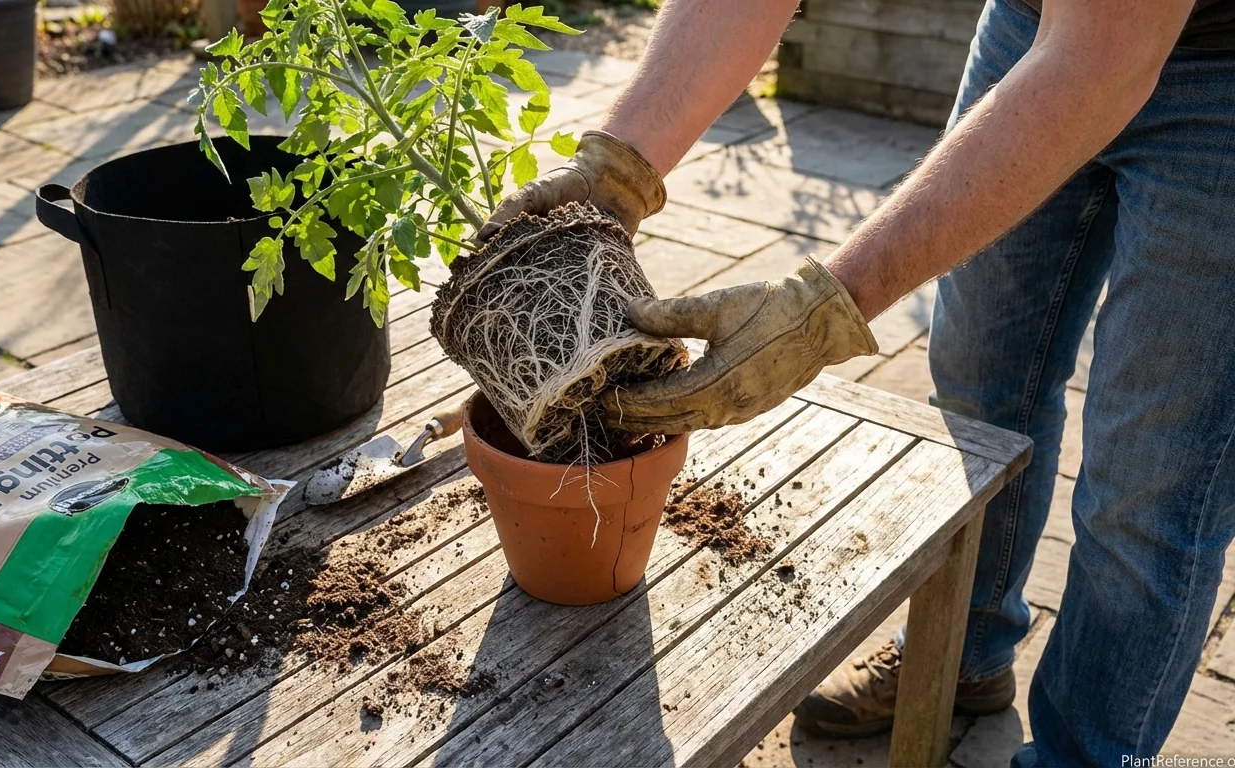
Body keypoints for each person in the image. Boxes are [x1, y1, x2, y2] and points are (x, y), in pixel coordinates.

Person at [480, 0, 1235, 763]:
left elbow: (1100, 64)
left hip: (1216, 76)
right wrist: (619, 167)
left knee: (1152, 483)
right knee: (980, 386)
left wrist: (819, 313)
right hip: (1035, 24)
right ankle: (964, 656)